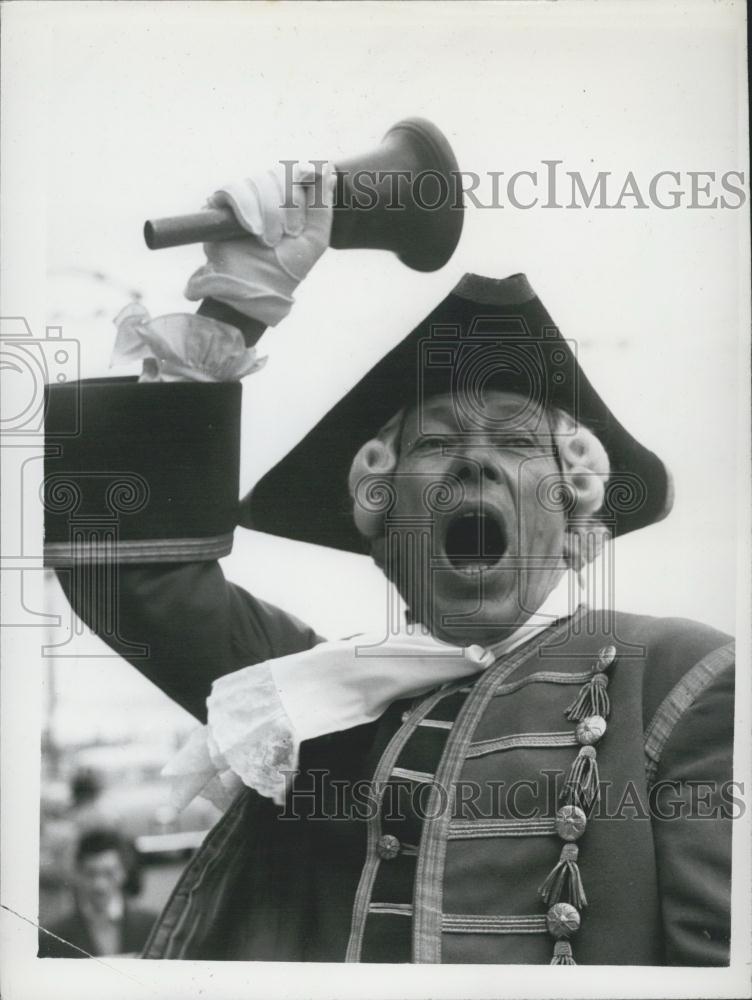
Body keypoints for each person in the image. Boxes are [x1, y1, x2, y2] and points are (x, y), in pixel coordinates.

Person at [43, 165, 734, 965]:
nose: (474, 464)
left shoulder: (681, 679)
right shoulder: (311, 696)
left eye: (514, 443)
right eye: (436, 445)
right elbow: (126, 570)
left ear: (574, 508)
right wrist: (233, 309)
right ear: (382, 514)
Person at [38, 828, 156, 959]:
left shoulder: (152, 927)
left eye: (109, 873)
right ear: (78, 874)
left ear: (124, 872)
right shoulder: (52, 937)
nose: (99, 885)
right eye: (90, 873)